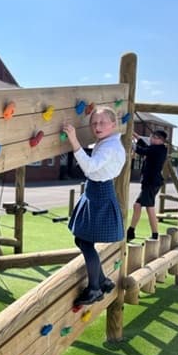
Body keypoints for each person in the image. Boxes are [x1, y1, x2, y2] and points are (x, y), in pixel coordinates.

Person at [63, 106, 124, 305]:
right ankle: (102, 281)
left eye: (102, 122)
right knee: (82, 240)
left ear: (113, 124)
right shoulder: (106, 141)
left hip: (100, 191)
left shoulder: (110, 147)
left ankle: (95, 288)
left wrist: (73, 138)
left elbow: (89, 167)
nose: (97, 126)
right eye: (94, 123)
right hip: (96, 190)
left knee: (84, 241)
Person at [126, 129, 168, 242]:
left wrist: (129, 141)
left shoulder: (156, 149)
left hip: (151, 182)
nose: (150, 139)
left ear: (159, 140)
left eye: (153, 138)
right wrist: (135, 135)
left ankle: (154, 234)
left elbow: (141, 150)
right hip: (151, 182)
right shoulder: (159, 148)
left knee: (149, 208)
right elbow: (145, 145)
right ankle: (131, 231)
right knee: (137, 206)